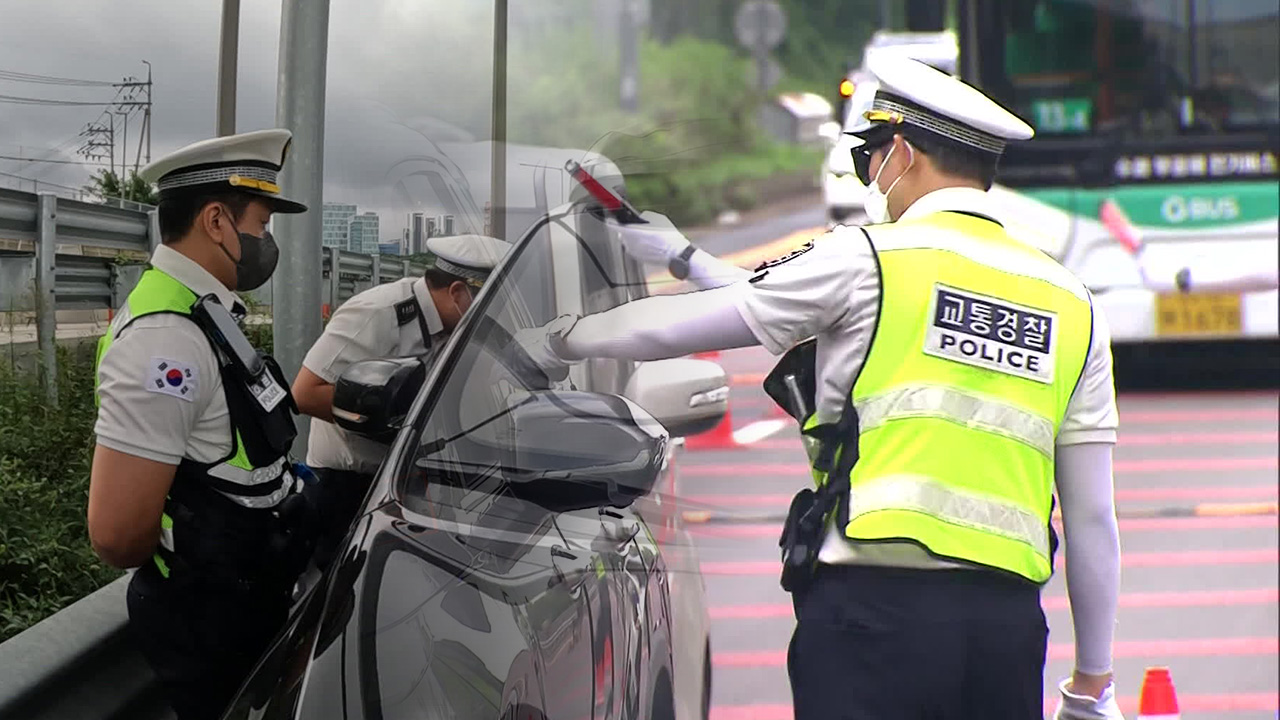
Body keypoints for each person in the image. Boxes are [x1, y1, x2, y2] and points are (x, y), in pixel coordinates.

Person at [516, 56, 1124, 720]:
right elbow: (1092, 517)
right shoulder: (1071, 301)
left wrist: (552, 339)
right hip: (1005, 631)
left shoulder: (866, 257)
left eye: (871, 159)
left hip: (871, 614)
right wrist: (1091, 681)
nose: (871, 179)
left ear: (901, 153)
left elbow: (676, 326)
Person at [88, 129, 315, 720]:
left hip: (243, 592)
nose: (268, 242)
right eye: (262, 224)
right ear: (217, 220)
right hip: (206, 612)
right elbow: (116, 535)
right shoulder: (166, 338)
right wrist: (200, 557)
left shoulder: (205, 311)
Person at [291, 234, 511, 569]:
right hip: (348, 485)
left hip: (410, 477)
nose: (493, 317)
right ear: (457, 293)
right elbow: (305, 392)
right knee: (341, 588)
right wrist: (395, 420)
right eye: (489, 305)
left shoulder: (459, 328)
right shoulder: (377, 314)